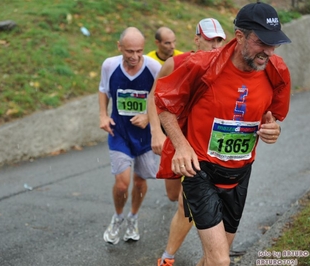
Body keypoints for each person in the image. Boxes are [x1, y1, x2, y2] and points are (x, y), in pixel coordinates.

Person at [154, 2, 291, 266]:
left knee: (214, 259)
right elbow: (164, 105)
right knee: (220, 261)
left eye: (274, 44)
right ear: (240, 36)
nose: (269, 52)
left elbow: (271, 117)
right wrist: (181, 145)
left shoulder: (277, 70)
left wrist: (273, 130)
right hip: (200, 169)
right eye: (262, 43)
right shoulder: (201, 65)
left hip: (239, 174)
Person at [147, 18, 226, 266]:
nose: (214, 45)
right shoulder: (176, 63)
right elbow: (153, 96)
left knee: (187, 201)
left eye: (219, 40)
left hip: (202, 146)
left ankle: (169, 258)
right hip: (175, 138)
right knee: (174, 196)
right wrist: (156, 132)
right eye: (209, 38)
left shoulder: (227, 67)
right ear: (196, 39)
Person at [99, 27, 161, 245]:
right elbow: (103, 89)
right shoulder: (109, 65)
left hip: (145, 137)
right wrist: (103, 115)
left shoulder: (154, 67)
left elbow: (164, 98)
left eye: (139, 51)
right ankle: (117, 217)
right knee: (122, 183)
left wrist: (147, 116)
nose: (135, 57)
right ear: (119, 47)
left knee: (140, 181)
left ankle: (133, 218)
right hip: (120, 132)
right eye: (129, 51)